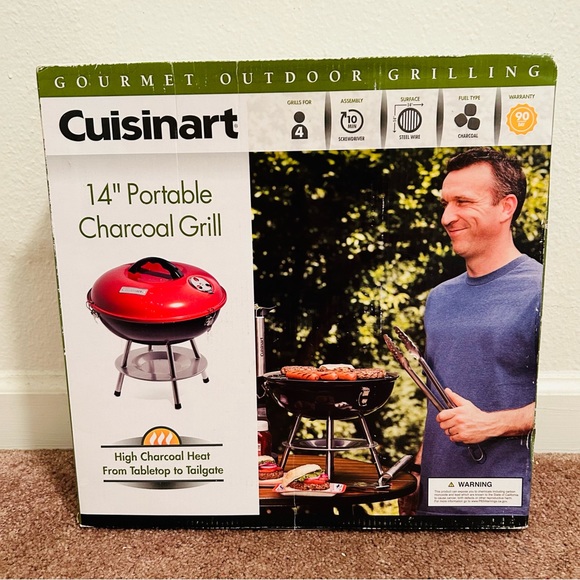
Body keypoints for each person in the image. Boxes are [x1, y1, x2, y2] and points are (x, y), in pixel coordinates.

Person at [399, 147, 542, 517]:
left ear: (506, 207)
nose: (447, 217)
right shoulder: (440, 298)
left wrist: (492, 424)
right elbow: (438, 397)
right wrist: (418, 471)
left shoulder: (545, 292)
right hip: (434, 506)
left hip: (504, 513)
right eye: (446, 203)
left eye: (463, 202)